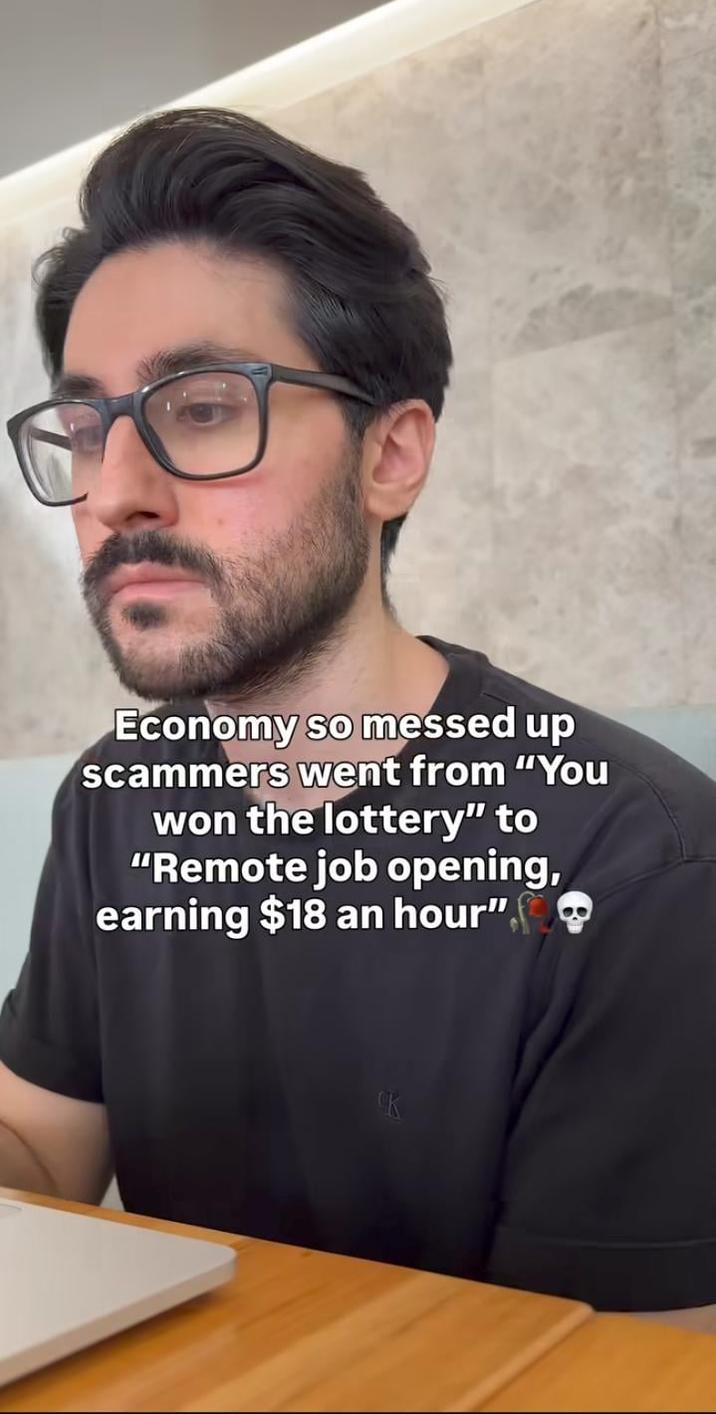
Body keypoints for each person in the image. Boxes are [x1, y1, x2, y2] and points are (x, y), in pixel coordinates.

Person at [2, 107, 716, 1325]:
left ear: (389, 456)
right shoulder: (117, 802)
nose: (115, 492)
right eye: (83, 429)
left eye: (203, 406)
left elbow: (620, 1371)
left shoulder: (635, 866)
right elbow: (40, 1146)